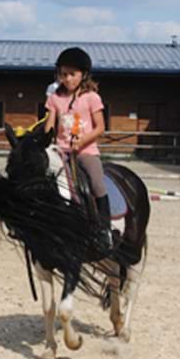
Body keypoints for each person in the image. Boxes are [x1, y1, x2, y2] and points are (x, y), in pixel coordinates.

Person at [44, 47, 113, 252]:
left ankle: (104, 230)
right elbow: (50, 124)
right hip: (60, 151)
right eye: (63, 74)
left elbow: (100, 127)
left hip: (86, 152)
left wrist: (82, 142)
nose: (67, 79)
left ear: (83, 75)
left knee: (97, 183)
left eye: (72, 74)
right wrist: (43, 142)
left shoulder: (91, 97)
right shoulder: (55, 97)